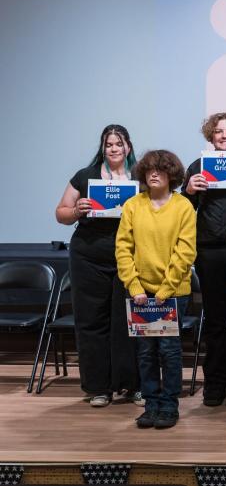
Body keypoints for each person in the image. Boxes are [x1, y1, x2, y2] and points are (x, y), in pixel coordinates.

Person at [55, 124, 140, 407]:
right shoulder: (85, 176)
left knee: (129, 322)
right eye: (108, 144)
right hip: (88, 257)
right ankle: (98, 387)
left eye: (119, 143)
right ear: (102, 148)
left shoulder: (140, 176)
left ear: (128, 146)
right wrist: (76, 210)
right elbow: (61, 213)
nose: (114, 148)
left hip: (129, 257)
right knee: (91, 321)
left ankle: (131, 385)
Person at [115, 150, 197, 429]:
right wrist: (135, 286)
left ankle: (169, 405)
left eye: (160, 170)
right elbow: (123, 249)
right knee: (145, 351)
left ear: (171, 175)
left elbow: (185, 253)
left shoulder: (183, 206)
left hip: (172, 293)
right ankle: (150, 404)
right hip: (139, 292)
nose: (154, 174)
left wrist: (163, 292)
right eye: (149, 169)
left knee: (169, 351)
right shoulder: (132, 205)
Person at [182, 111, 226, 408]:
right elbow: (184, 209)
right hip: (208, 250)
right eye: (219, 131)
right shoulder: (198, 167)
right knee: (213, 321)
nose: (224, 135)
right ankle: (214, 383)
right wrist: (187, 191)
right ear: (211, 136)